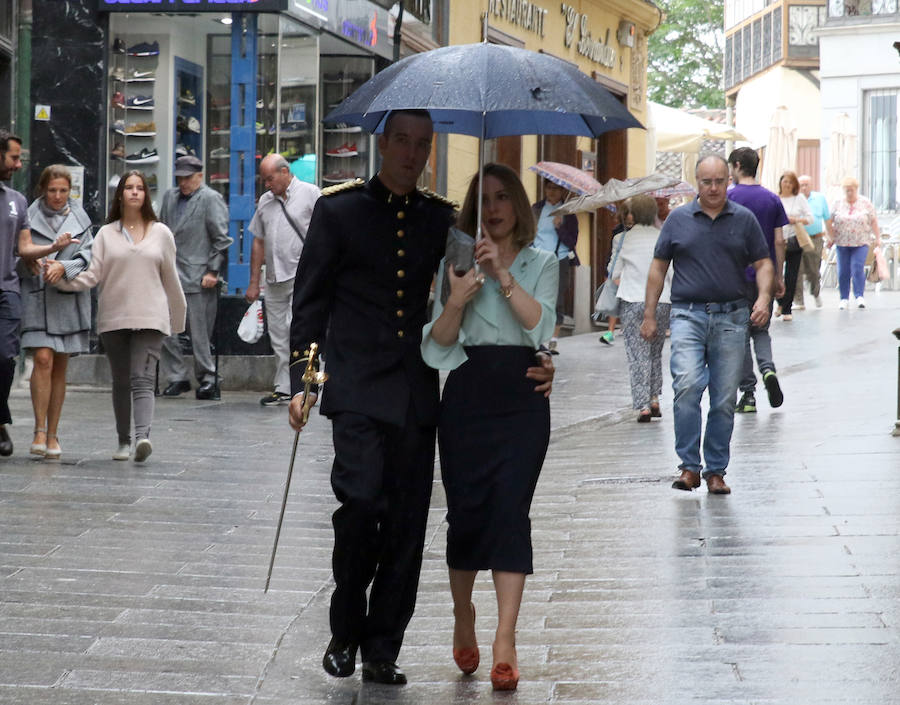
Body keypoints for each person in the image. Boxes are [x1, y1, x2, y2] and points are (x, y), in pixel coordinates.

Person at [286, 110, 554, 686]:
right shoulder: (339, 210)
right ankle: (344, 629)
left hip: (416, 388)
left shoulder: (441, 221)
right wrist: (304, 381)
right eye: (402, 142)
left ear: (430, 151)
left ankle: (383, 646)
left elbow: (478, 294)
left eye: (421, 145)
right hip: (356, 385)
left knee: (407, 524)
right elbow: (310, 301)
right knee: (359, 504)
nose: (411, 153)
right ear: (384, 144)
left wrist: (541, 358)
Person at [423, 163, 558, 692]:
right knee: (467, 512)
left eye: (503, 198)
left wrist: (502, 274)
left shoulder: (542, 262)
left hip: (522, 394)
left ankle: (506, 638)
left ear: (518, 206)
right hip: (466, 393)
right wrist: (458, 294)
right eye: (484, 200)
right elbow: (436, 344)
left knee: (510, 510)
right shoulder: (454, 263)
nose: (494, 209)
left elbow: (538, 324)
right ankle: (463, 614)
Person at [642, 155, 773, 495]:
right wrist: (649, 314)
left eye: (719, 181)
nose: (713, 188)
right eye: (706, 182)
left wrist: (763, 299)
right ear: (696, 182)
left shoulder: (743, 219)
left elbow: (763, 263)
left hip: (732, 316)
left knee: (724, 397)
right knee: (686, 386)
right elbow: (658, 268)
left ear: (728, 180)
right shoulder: (678, 219)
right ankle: (689, 466)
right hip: (687, 314)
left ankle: (715, 470)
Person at [51, 171, 186, 463]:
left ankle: (142, 438)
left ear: (146, 195)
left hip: (151, 318)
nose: (135, 192)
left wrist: (176, 318)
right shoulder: (105, 234)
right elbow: (92, 275)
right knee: (121, 380)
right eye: (129, 188)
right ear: (120, 194)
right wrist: (61, 278)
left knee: (142, 378)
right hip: (113, 317)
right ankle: (123, 441)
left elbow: (171, 278)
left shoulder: (161, 233)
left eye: (140, 188)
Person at [0, 130, 79, 457]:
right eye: (14, 157)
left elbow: (24, 247)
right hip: (24, 292)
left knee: (5, 357)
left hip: (8, 290)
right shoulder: (25, 203)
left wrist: (52, 249)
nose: (19, 164)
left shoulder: (16, 201)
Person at [20, 165, 94, 459]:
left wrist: (65, 267)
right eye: (52, 190)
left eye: (63, 190)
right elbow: (17, 250)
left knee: (60, 365)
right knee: (42, 358)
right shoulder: (27, 216)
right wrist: (29, 263)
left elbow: (89, 256)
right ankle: (39, 430)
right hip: (36, 296)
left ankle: (53, 434)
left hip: (66, 298)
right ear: (42, 190)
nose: (58, 196)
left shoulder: (81, 219)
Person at [246, 154, 320, 406]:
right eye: (264, 180)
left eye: (270, 178)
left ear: (285, 171)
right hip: (274, 277)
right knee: (277, 332)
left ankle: (306, 383)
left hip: (303, 274)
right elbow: (258, 241)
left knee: (294, 328)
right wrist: (254, 281)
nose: (267, 184)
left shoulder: (310, 193)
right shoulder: (265, 202)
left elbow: (327, 231)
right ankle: (284, 386)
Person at [158, 155, 231, 400]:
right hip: (170, 273)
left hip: (199, 276)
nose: (184, 183)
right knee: (166, 329)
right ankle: (177, 376)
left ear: (200, 176)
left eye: (188, 178)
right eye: (180, 178)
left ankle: (208, 377)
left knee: (200, 333)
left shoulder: (211, 199)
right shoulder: (169, 197)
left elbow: (221, 240)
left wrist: (213, 271)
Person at [726, 147, 787, 414]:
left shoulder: (727, 198)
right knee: (761, 330)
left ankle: (748, 394)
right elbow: (779, 241)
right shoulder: (772, 199)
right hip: (765, 277)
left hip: (733, 277)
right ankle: (768, 369)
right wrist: (778, 275)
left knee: (739, 335)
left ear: (737, 165)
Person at [610, 195, 672, 423]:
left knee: (637, 355)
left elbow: (614, 273)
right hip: (662, 301)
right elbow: (671, 273)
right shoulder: (663, 237)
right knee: (655, 353)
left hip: (632, 299)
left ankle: (643, 405)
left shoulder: (621, 239)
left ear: (633, 214)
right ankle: (655, 397)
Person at [531, 178, 578, 352]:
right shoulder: (536, 209)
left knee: (557, 299)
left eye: (556, 189)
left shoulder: (568, 213)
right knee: (535, 296)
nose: (552, 192)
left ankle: (553, 339)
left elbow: (572, 241)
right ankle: (537, 338)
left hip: (559, 259)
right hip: (536, 257)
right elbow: (527, 232)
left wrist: (560, 227)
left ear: (562, 191)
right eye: (549, 188)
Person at [827, 176, 882, 309]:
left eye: (851, 190)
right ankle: (844, 298)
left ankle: (859, 296)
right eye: (847, 190)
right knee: (843, 270)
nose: (849, 193)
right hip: (842, 241)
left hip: (861, 241)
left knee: (857, 267)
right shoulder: (837, 203)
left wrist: (878, 237)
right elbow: (829, 220)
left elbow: (873, 220)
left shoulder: (865, 202)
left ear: (856, 189)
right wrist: (830, 236)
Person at [775, 170, 813, 321]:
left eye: (790, 182)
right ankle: (780, 301)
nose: (787, 185)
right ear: (780, 183)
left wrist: (796, 220)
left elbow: (810, 218)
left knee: (792, 275)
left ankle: (786, 308)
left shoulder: (799, 198)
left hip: (794, 239)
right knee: (775, 274)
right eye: (785, 182)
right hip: (777, 240)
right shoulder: (776, 199)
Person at [794, 175, 830, 309]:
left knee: (814, 269)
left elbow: (827, 218)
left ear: (811, 185)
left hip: (816, 238)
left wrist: (831, 236)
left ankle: (815, 293)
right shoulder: (795, 199)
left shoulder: (819, 198)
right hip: (798, 238)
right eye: (801, 185)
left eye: (806, 184)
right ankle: (799, 301)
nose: (804, 187)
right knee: (797, 269)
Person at [599, 202, 632, 345]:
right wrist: (609, 272)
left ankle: (627, 327)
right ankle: (610, 331)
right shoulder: (618, 232)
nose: (630, 217)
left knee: (629, 301)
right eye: (627, 214)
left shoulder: (643, 231)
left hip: (633, 270)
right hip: (620, 270)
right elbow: (613, 253)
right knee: (614, 299)